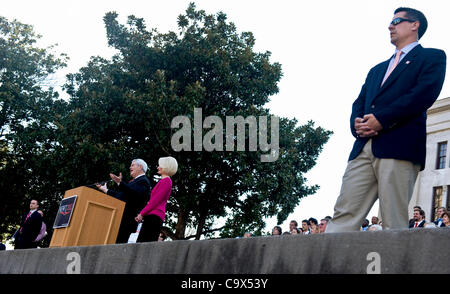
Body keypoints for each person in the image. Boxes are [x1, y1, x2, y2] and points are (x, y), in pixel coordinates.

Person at [326, 7, 446, 233]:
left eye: (397, 21)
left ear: (415, 25)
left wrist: (382, 119)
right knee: (344, 214)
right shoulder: (376, 70)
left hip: (399, 145)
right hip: (363, 148)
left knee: (393, 220)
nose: (390, 26)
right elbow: (359, 103)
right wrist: (357, 123)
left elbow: (423, 95)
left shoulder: (433, 57)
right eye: (390, 22)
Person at [97, 158, 151, 243]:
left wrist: (120, 183)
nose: (130, 167)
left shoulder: (144, 181)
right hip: (120, 219)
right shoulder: (133, 182)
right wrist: (105, 190)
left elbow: (133, 194)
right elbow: (121, 196)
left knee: (119, 245)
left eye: (132, 165)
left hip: (127, 221)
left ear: (140, 167)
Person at [135, 156, 178, 243]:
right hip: (152, 215)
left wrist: (142, 213)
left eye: (160, 165)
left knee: (145, 244)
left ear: (166, 167)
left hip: (154, 217)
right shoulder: (163, 181)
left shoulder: (167, 181)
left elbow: (155, 201)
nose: (158, 167)